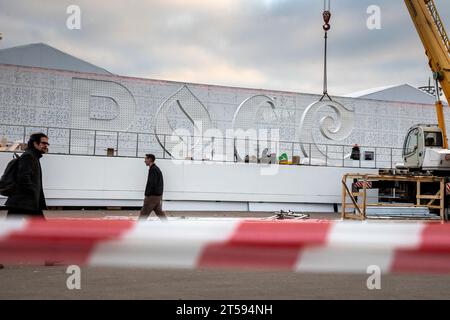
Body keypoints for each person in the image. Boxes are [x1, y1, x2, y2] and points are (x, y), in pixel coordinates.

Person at [5, 132, 48, 219]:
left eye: (47, 143)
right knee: (41, 229)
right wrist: (32, 191)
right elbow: (23, 177)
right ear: (35, 143)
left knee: (12, 229)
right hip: (23, 203)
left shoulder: (33, 156)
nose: (46, 145)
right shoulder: (28, 156)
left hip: (26, 203)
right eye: (43, 143)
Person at [139, 154, 167, 220]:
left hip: (152, 196)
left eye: (146, 159)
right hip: (157, 195)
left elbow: (152, 183)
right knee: (159, 213)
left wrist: (147, 194)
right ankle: (167, 225)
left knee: (144, 213)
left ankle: (138, 228)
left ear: (150, 159)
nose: (144, 161)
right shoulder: (155, 169)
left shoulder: (153, 170)